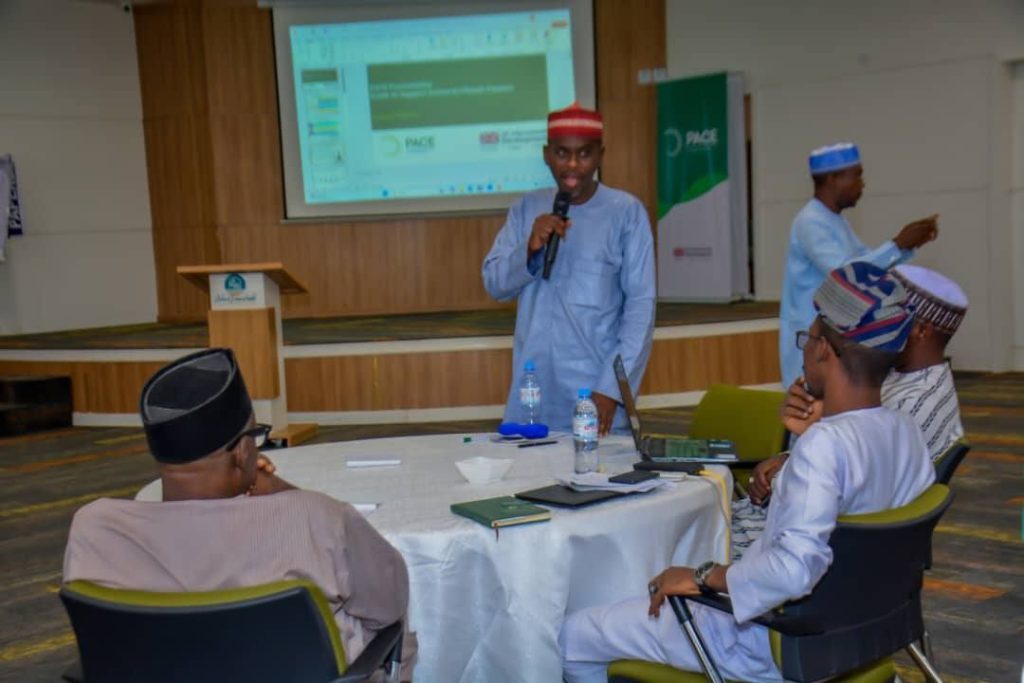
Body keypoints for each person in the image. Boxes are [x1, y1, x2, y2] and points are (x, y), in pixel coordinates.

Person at [559, 263, 935, 682]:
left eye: (807, 338)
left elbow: (793, 570)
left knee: (573, 637)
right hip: (860, 637)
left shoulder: (824, 445)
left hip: (768, 643)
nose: (804, 350)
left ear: (824, 350)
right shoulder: (907, 434)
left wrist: (703, 577)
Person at [63, 349, 417, 680]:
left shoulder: (95, 530)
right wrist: (281, 490)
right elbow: (391, 598)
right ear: (243, 453)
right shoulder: (316, 520)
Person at [736, 264, 969, 559]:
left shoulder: (914, 407)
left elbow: (851, 497)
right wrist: (799, 441)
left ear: (921, 330)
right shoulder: (892, 380)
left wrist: (813, 434)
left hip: (807, 550)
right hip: (813, 539)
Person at [482, 102, 655, 435]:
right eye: (562, 153)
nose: (573, 164)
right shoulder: (526, 208)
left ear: (601, 155)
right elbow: (494, 283)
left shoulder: (626, 213)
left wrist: (612, 388)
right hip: (533, 394)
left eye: (584, 154)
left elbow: (640, 309)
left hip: (596, 396)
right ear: (546, 155)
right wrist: (529, 249)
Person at [778, 142, 939, 387]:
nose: (862, 184)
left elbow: (866, 264)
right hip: (809, 336)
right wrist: (897, 245)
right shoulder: (810, 221)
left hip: (830, 332)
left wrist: (906, 246)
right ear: (833, 179)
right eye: (857, 176)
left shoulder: (835, 220)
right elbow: (846, 272)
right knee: (808, 403)